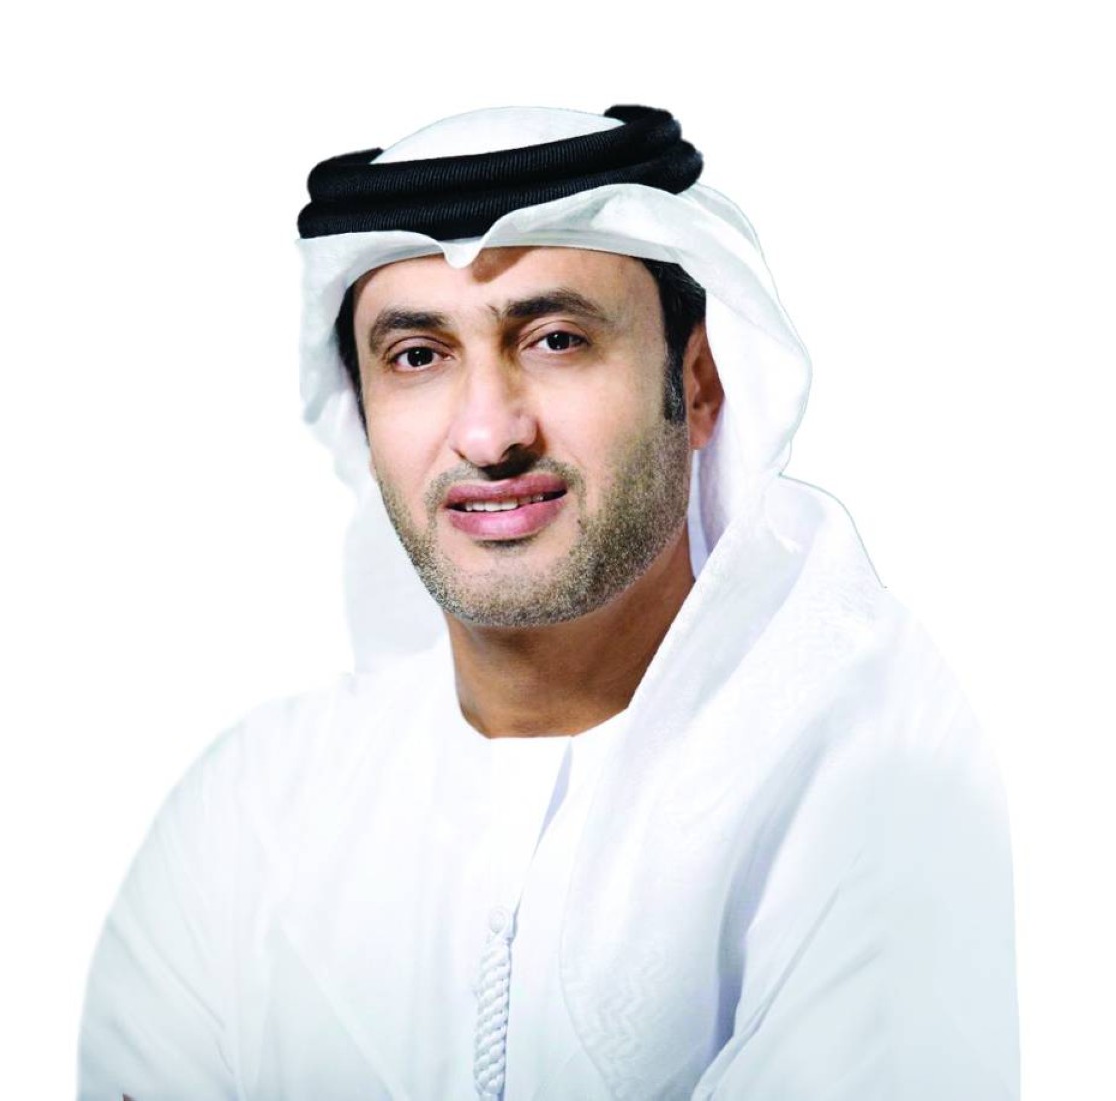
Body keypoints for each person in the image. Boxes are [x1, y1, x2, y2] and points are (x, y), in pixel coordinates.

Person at [78, 105, 1020, 1100]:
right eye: (417, 356)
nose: (490, 435)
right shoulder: (245, 814)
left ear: (699, 385)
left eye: (556, 339)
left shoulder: (859, 775)